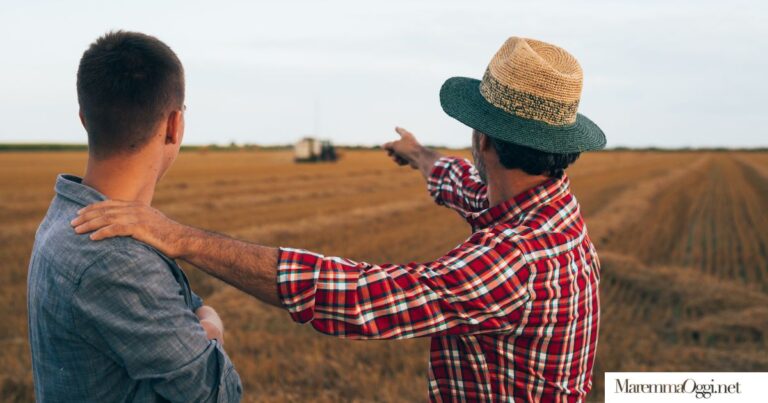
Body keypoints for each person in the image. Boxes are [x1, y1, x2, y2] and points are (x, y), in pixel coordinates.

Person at [72, 36, 605, 401]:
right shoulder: (548, 210)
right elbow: (467, 185)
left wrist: (178, 236)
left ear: (482, 138)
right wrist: (419, 154)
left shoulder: (514, 261)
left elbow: (360, 296)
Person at [28, 31, 242, 402]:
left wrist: (199, 320)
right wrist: (214, 324)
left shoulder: (63, 213)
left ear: (84, 119)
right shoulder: (116, 259)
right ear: (174, 125)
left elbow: (185, 305)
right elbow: (219, 394)